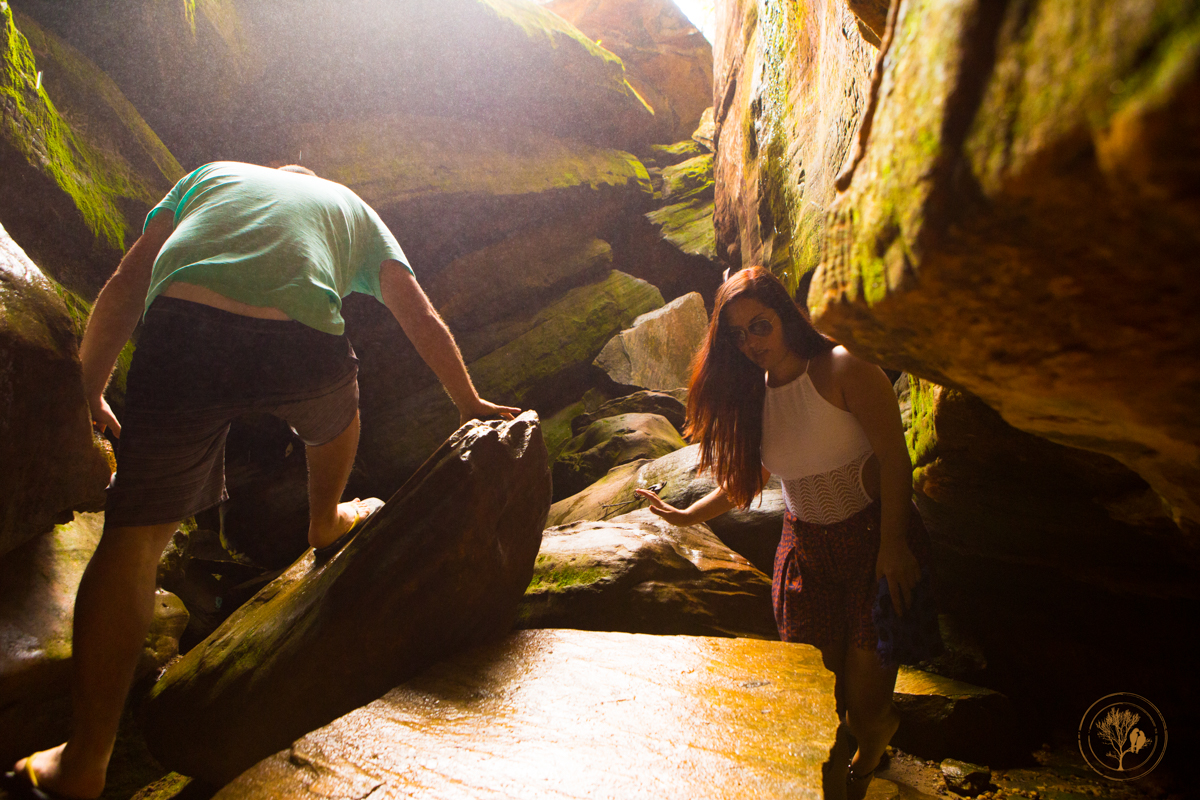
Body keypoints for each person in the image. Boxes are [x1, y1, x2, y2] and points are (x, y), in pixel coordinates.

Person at [7, 162, 520, 799]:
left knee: (133, 544)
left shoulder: (212, 175)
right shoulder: (347, 202)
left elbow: (125, 281)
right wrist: (467, 401)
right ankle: (325, 517)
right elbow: (417, 312)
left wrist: (88, 389)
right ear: (308, 180)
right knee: (339, 412)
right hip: (301, 344)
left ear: (271, 174)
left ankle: (84, 762)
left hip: (183, 330)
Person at [636, 266, 941, 800]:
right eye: (737, 334)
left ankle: (874, 748)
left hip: (873, 544)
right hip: (806, 554)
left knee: (866, 708)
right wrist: (685, 517)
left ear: (785, 316)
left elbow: (897, 458)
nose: (750, 343)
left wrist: (894, 546)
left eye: (760, 326)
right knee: (820, 699)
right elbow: (749, 480)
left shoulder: (845, 367)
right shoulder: (754, 396)